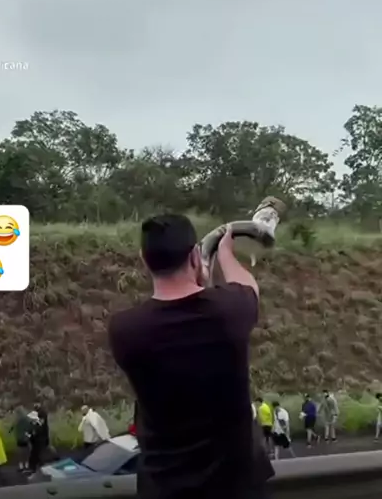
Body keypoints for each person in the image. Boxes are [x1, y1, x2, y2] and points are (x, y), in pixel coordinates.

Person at [108, 214, 274, 499]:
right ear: (195, 256)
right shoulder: (229, 311)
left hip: (164, 487)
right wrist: (225, 252)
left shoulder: (125, 329)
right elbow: (249, 287)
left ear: (144, 260)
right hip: (235, 485)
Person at [10, 406, 31, 471]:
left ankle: (21, 466)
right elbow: (29, 427)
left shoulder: (16, 420)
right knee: (26, 452)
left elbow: (12, 427)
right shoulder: (26, 419)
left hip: (19, 438)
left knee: (20, 452)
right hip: (26, 437)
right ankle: (26, 465)